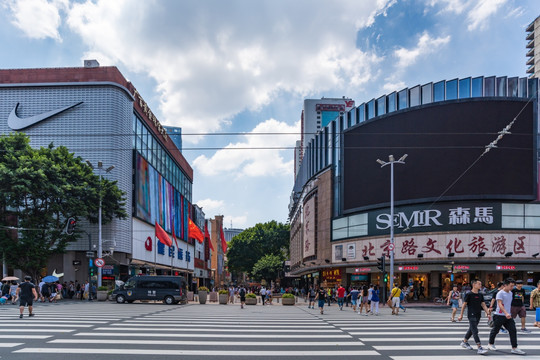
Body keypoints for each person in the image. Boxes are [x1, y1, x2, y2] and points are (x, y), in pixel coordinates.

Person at [487, 278, 526, 355]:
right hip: (499, 315)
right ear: (505, 285)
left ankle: (514, 348)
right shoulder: (500, 293)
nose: (512, 288)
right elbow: (500, 304)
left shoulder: (510, 293)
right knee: (495, 330)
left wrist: (509, 313)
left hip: (508, 316)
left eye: (513, 286)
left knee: (513, 330)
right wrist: (506, 313)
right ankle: (490, 344)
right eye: (511, 286)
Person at [457, 279, 490, 355]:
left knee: (471, 329)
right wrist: (461, 315)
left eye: (480, 284)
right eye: (479, 284)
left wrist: (488, 313)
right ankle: (479, 347)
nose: (480, 285)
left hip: (478, 314)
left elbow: (483, 305)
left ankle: (464, 342)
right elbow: (464, 305)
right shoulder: (469, 294)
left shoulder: (480, 294)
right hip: (471, 314)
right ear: (474, 285)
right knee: (475, 330)